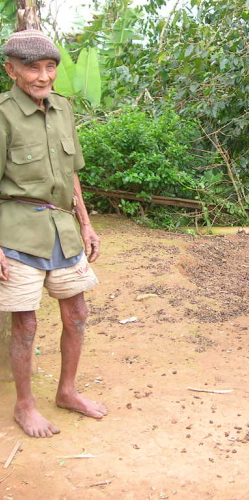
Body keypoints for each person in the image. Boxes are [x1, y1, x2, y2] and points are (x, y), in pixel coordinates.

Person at [0, 30, 107, 437]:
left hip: (63, 228)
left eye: (50, 67)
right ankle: (24, 406)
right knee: (25, 324)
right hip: (17, 232)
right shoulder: (3, 114)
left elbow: (72, 173)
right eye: (32, 68)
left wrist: (85, 221)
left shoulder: (62, 108)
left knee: (76, 313)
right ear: (11, 70)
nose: (43, 76)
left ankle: (67, 392)